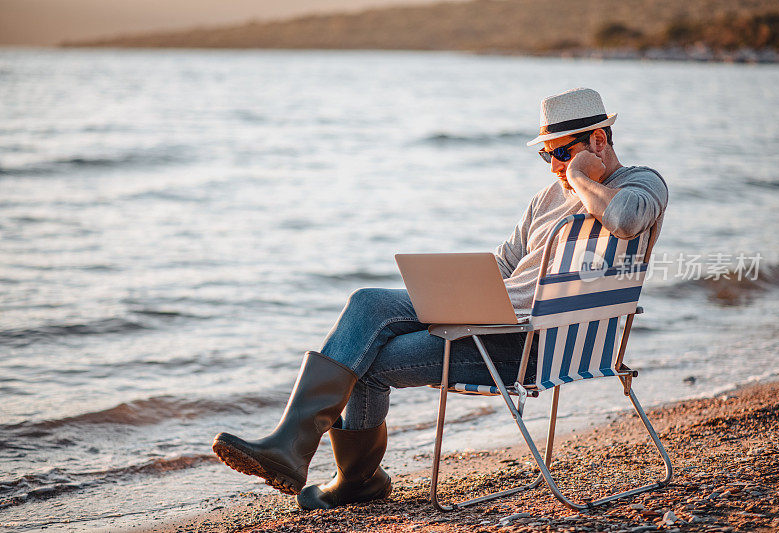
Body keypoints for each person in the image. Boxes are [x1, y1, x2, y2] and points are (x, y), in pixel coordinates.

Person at [212, 87, 668, 510]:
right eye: (547, 157)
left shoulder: (642, 184)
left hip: (528, 347)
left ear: (599, 140)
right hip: (493, 314)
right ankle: (291, 446)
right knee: (368, 302)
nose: (554, 167)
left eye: (561, 153)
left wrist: (578, 175)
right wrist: (452, 286)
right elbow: (505, 266)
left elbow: (625, 221)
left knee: (366, 358)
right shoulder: (547, 198)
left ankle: (355, 481)